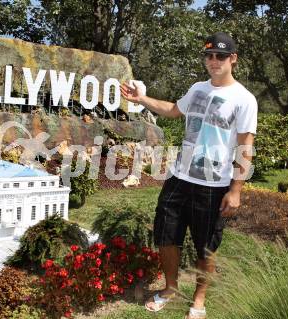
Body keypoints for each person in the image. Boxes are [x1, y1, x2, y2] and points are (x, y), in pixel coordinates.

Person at [120, 32, 257, 319]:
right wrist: (141, 98)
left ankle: (199, 299)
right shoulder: (197, 89)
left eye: (220, 56)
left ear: (233, 59)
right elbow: (172, 110)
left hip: (213, 185)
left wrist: (236, 190)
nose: (213, 61)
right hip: (179, 178)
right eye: (209, 55)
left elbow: (245, 145)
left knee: (205, 245)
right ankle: (170, 288)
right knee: (166, 235)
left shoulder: (244, 99)